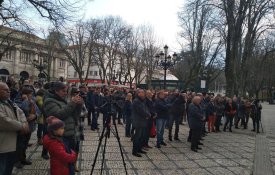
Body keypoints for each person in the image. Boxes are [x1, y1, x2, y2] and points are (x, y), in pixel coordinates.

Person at [43, 82, 83, 171]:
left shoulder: (62, 99)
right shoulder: (49, 101)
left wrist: (78, 104)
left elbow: (75, 114)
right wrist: (72, 103)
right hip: (61, 136)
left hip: (69, 133)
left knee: (69, 161)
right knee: (63, 162)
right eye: (63, 91)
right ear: (56, 91)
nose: (65, 93)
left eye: (66, 91)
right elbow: (59, 115)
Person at [0, 82, 30, 175]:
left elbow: (21, 112)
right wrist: (21, 126)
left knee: (9, 167)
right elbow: (4, 120)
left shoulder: (9, 102)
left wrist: (24, 123)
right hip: (3, 143)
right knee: (3, 168)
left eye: (9, 90)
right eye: (5, 90)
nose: (9, 91)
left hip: (13, 142)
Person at [131, 89, 150, 157]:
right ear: (138, 93)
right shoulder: (136, 101)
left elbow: (146, 109)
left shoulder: (142, 100)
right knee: (137, 137)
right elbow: (141, 111)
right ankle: (134, 151)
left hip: (143, 121)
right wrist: (147, 115)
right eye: (141, 92)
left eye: (143, 93)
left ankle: (139, 149)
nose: (143, 94)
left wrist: (148, 114)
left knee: (141, 136)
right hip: (138, 121)